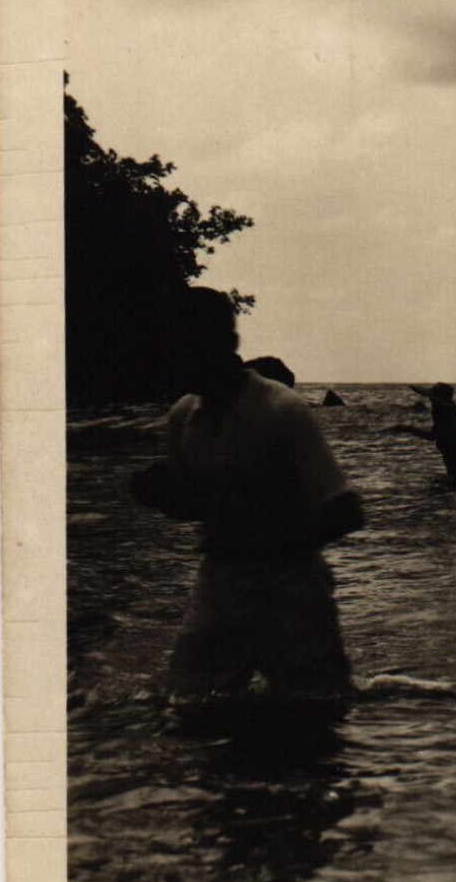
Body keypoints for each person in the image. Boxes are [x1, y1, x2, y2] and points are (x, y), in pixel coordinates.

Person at [129, 287, 364, 701]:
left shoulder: (282, 410)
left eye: (190, 345)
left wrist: (261, 545)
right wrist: (160, 496)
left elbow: (346, 511)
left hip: (293, 593)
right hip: (218, 587)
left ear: (229, 345)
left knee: (314, 722)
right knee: (184, 708)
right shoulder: (184, 416)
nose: (176, 357)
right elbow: (197, 504)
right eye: (171, 346)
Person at [409, 383, 456, 485]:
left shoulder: (440, 413)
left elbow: (433, 436)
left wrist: (409, 430)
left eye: (432, 398)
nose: (430, 400)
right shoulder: (450, 413)